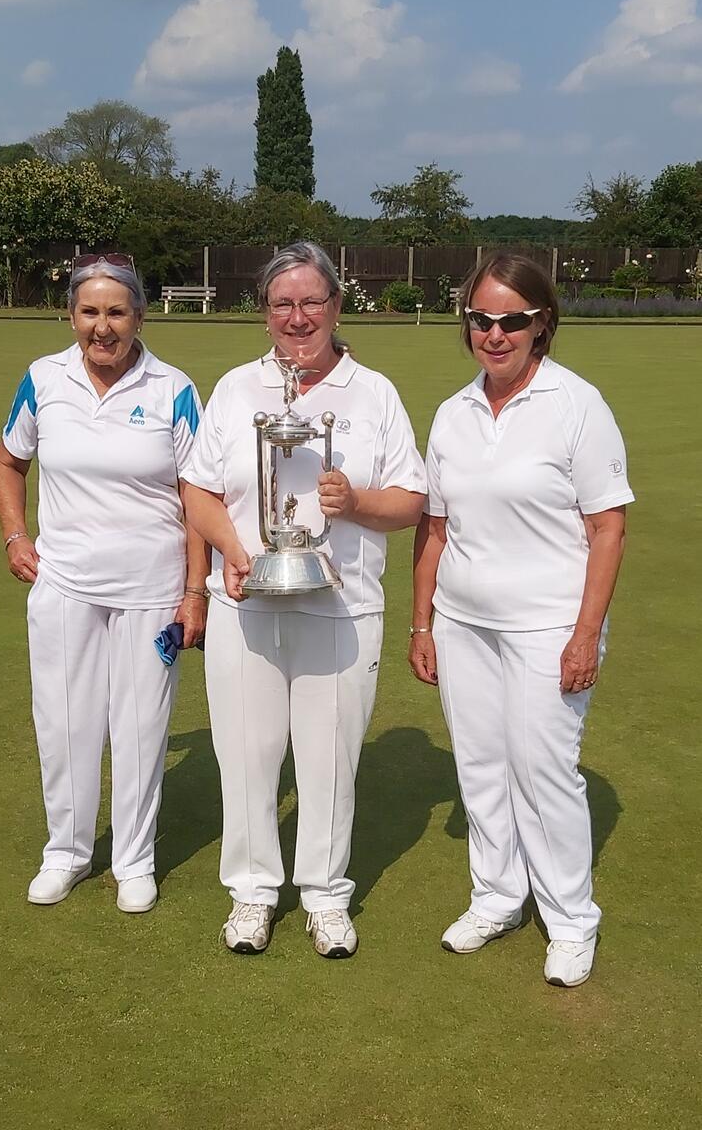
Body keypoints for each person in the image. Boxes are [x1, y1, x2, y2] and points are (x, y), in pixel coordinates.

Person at [181, 241, 426, 958]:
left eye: (311, 301)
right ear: (265, 313)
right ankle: (254, 894)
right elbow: (196, 487)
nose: (298, 317)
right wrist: (231, 549)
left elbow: (411, 500)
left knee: (328, 758)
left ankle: (324, 896)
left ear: (336, 307)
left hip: (341, 608)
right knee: (247, 755)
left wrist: (354, 501)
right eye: (282, 304)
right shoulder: (234, 389)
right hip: (246, 605)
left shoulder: (373, 392)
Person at [409, 251, 634, 987]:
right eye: (482, 319)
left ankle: (571, 922)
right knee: (479, 766)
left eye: (514, 320)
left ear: (543, 324)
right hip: (463, 623)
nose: (495, 334)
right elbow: (435, 531)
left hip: (549, 625)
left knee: (543, 770)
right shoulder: (453, 412)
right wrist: (421, 625)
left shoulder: (577, 405)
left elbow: (608, 528)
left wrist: (583, 634)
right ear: (466, 322)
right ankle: (498, 896)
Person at [0, 254, 209, 914]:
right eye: (90, 311)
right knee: (63, 722)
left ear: (139, 317)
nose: (103, 326)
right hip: (65, 584)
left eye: (116, 312)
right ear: (72, 315)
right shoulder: (43, 379)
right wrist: (14, 534)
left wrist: (195, 590)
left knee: (141, 727)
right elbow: (8, 460)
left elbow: (196, 492)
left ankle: (134, 860)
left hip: (150, 589)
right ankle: (67, 852)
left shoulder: (172, 387)